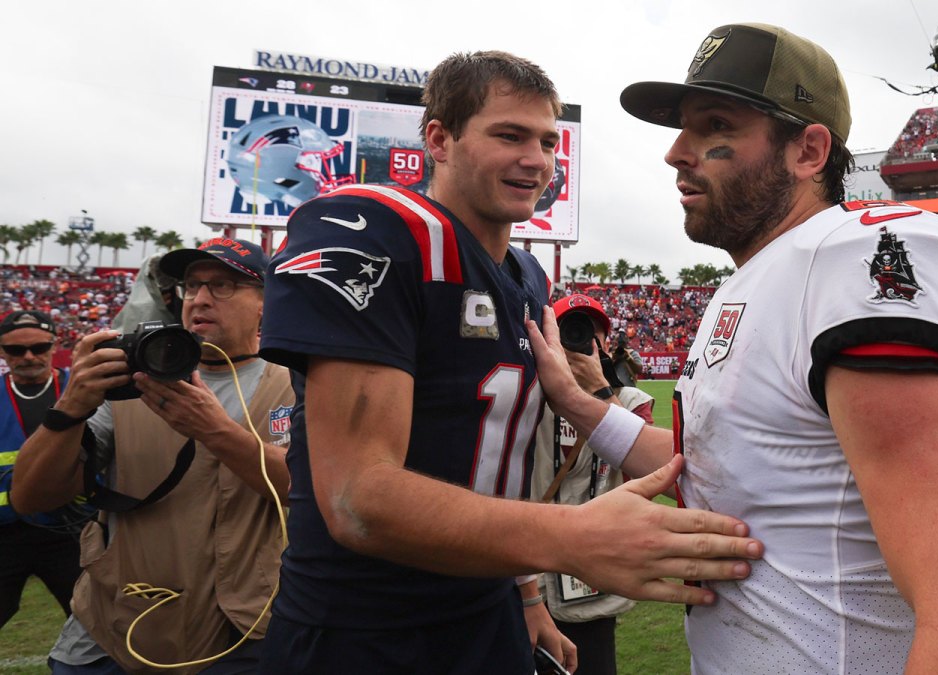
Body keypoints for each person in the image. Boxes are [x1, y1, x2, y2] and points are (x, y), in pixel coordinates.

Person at [528, 22, 938, 673]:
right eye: (682, 127)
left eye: (715, 126)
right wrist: (575, 398)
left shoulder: (846, 263)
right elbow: (721, 461)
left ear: (809, 150)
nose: (677, 152)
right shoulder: (760, 279)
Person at [257, 50, 761, 674]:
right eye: (510, 135)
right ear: (440, 139)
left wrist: (526, 593)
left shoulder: (525, 275)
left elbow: (501, 459)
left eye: (549, 141)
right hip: (364, 627)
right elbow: (359, 497)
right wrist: (574, 539)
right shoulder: (367, 229)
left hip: (486, 607)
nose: (537, 160)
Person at [11, 238, 295, 675]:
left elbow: (312, 492)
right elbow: (31, 498)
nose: (199, 299)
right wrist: (69, 408)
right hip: (114, 628)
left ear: (266, 302)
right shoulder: (130, 380)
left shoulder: (298, 384)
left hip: (240, 630)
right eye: (192, 285)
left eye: (222, 286)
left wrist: (216, 432)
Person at [531, 294, 655, 675]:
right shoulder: (528, 394)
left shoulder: (630, 401)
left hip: (590, 577)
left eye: (590, 333)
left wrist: (601, 392)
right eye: (569, 330)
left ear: (604, 344)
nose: (580, 341)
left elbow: (649, 473)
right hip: (527, 569)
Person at [0, 311, 84, 629]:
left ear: (55, 344)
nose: (29, 356)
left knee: (92, 619)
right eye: (16, 350)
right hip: (5, 533)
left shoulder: (84, 388)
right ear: (1, 351)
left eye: (39, 346)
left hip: (71, 531)